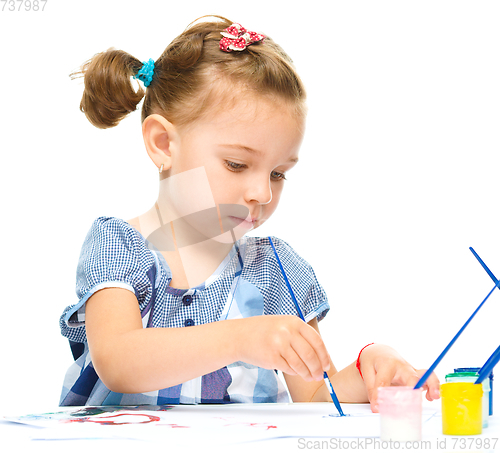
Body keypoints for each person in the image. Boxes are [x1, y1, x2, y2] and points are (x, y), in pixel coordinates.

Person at [59, 16, 440, 408]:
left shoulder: (275, 270)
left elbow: (314, 397)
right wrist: (242, 338)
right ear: (162, 143)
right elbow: (120, 361)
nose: (261, 192)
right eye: (237, 165)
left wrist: (370, 367)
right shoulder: (119, 247)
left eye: (278, 173)